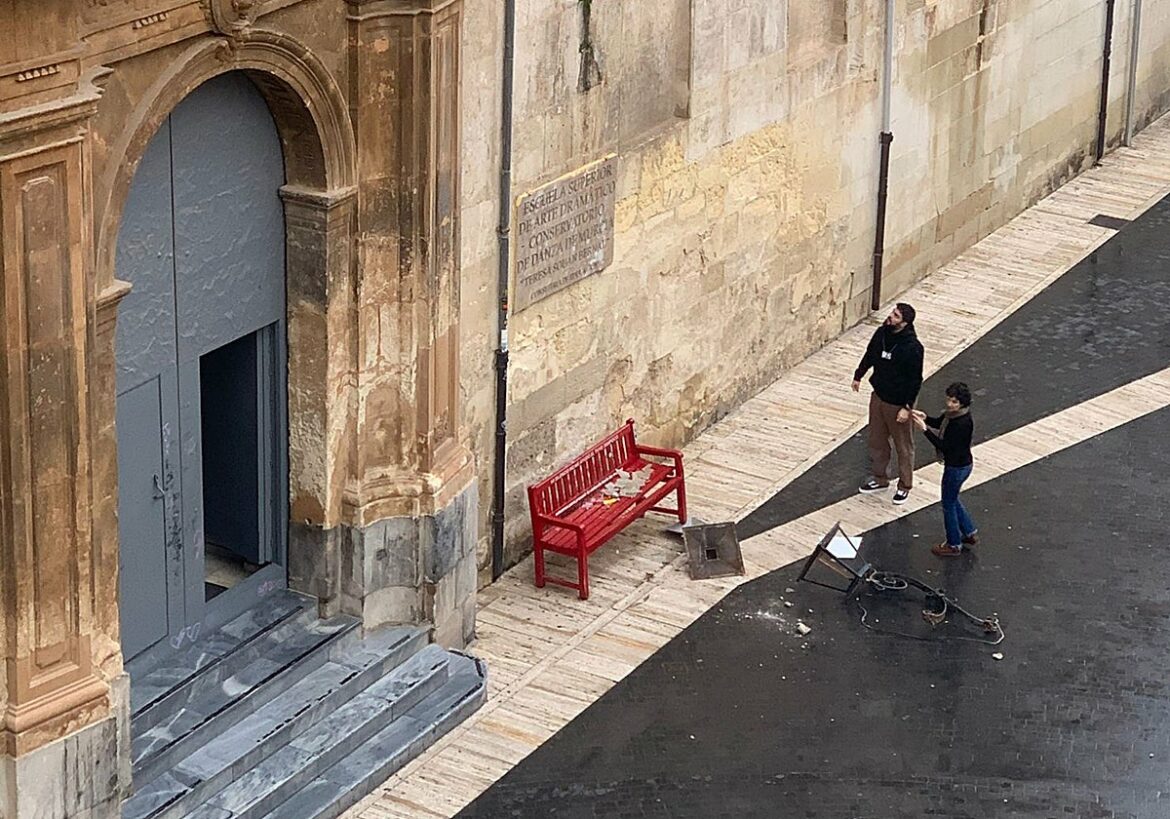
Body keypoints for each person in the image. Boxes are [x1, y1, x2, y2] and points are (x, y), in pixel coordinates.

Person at [852, 303, 924, 504]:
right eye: (893, 313)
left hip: (899, 402)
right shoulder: (882, 334)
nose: (890, 317)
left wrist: (907, 407)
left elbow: (915, 379)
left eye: (896, 315)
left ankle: (904, 485)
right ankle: (880, 477)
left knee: (903, 445)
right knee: (877, 440)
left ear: (905, 322)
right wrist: (859, 375)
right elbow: (870, 354)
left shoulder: (913, 347)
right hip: (879, 396)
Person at [912, 382, 978, 557]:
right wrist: (925, 418)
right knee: (953, 498)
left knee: (948, 503)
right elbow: (938, 422)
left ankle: (953, 544)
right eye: (949, 399)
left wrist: (924, 430)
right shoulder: (953, 415)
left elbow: (946, 446)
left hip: (955, 467)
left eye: (954, 401)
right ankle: (969, 531)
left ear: (962, 403)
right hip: (963, 464)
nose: (950, 404)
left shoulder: (960, 423)